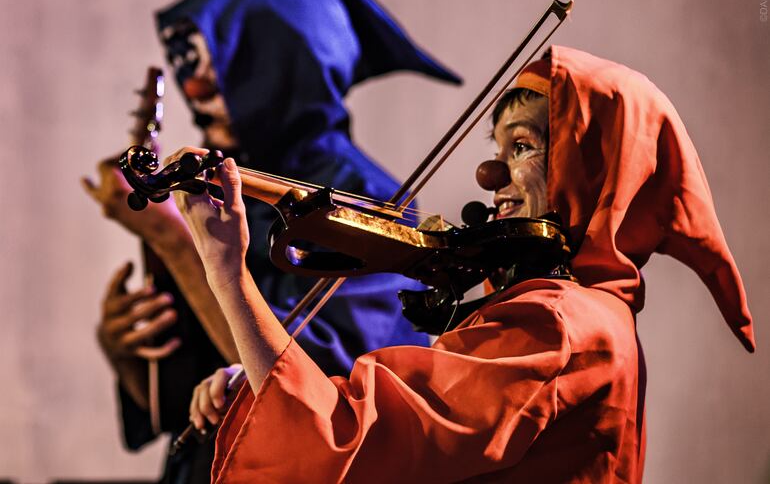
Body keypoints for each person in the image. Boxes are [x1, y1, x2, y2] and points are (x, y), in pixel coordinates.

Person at [171, 45, 754, 483]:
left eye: (522, 147)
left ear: (594, 164)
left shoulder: (561, 323)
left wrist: (228, 273)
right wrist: (258, 380)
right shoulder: (587, 317)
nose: (490, 177)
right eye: (497, 150)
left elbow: (350, 439)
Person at [82, 0, 460, 483]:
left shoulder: (367, 198)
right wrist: (129, 352)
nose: (195, 89)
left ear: (284, 67)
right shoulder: (222, 184)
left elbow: (311, 392)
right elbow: (187, 404)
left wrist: (172, 239)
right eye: (189, 65)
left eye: (226, 65)